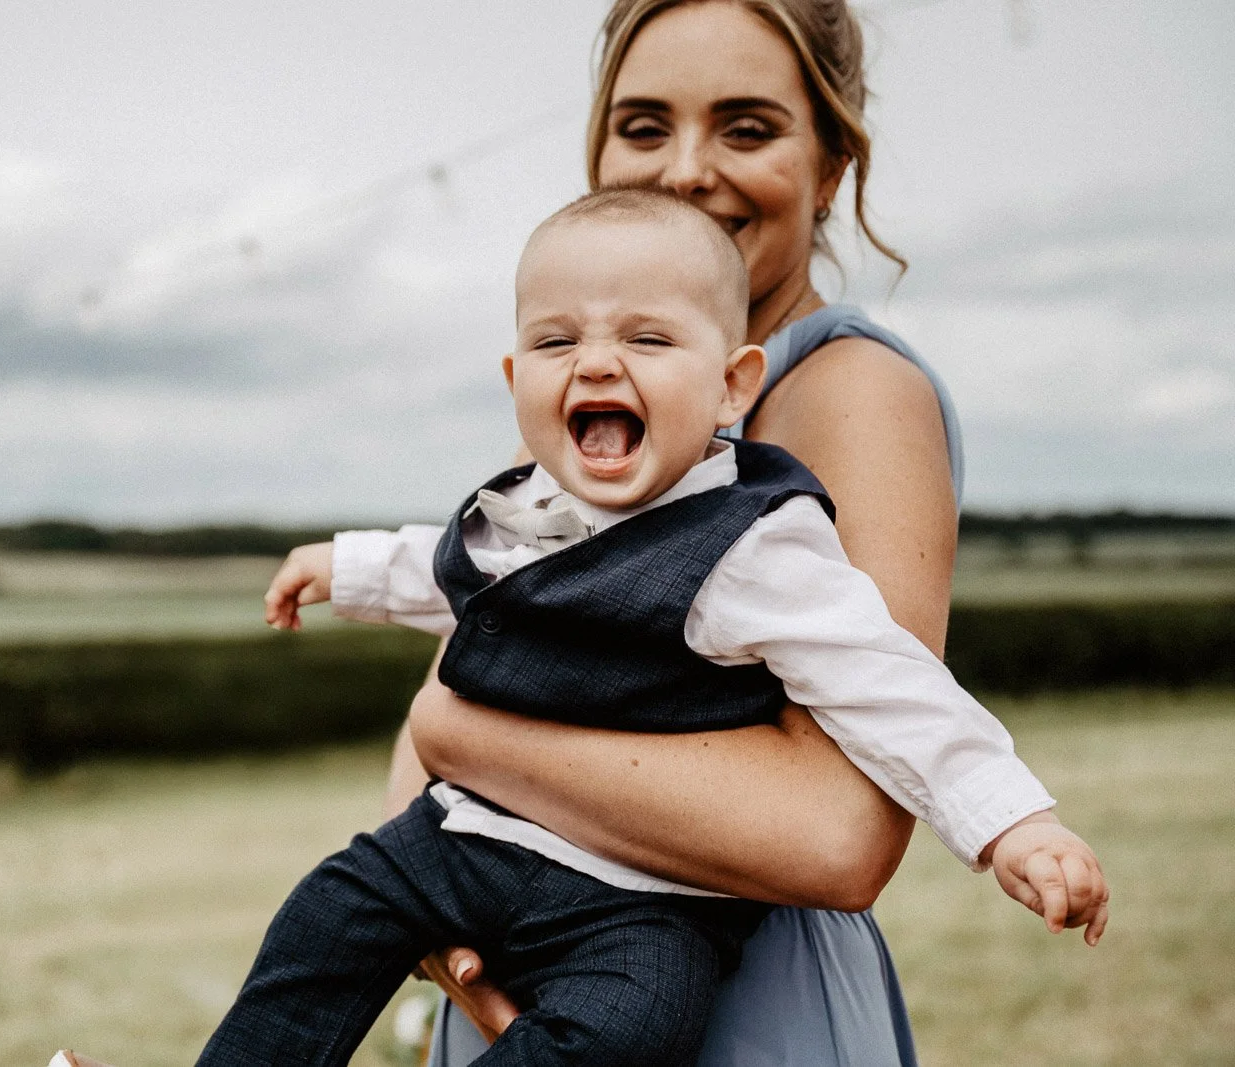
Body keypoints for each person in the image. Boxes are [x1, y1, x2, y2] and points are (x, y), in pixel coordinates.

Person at [193, 189, 1103, 1067]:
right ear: (517, 381)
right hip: (471, 844)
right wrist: (343, 568)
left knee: (635, 1028)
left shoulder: (750, 543)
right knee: (333, 908)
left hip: (646, 902)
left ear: (729, 386)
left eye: (647, 339)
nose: (593, 362)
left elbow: (886, 681)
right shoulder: (532, 505)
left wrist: (1012, 824)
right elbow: (457, 578)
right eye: (556, 341)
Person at [387, 2, 1111, 1064]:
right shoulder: (613, 401)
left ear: (830, 166)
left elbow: (839, 830)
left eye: (745, 127)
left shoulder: (848, 388)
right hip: (529, 991)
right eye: (642, 127)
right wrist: (451, 949)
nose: (684, 171)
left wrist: (456, 734)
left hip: (734, 1011)